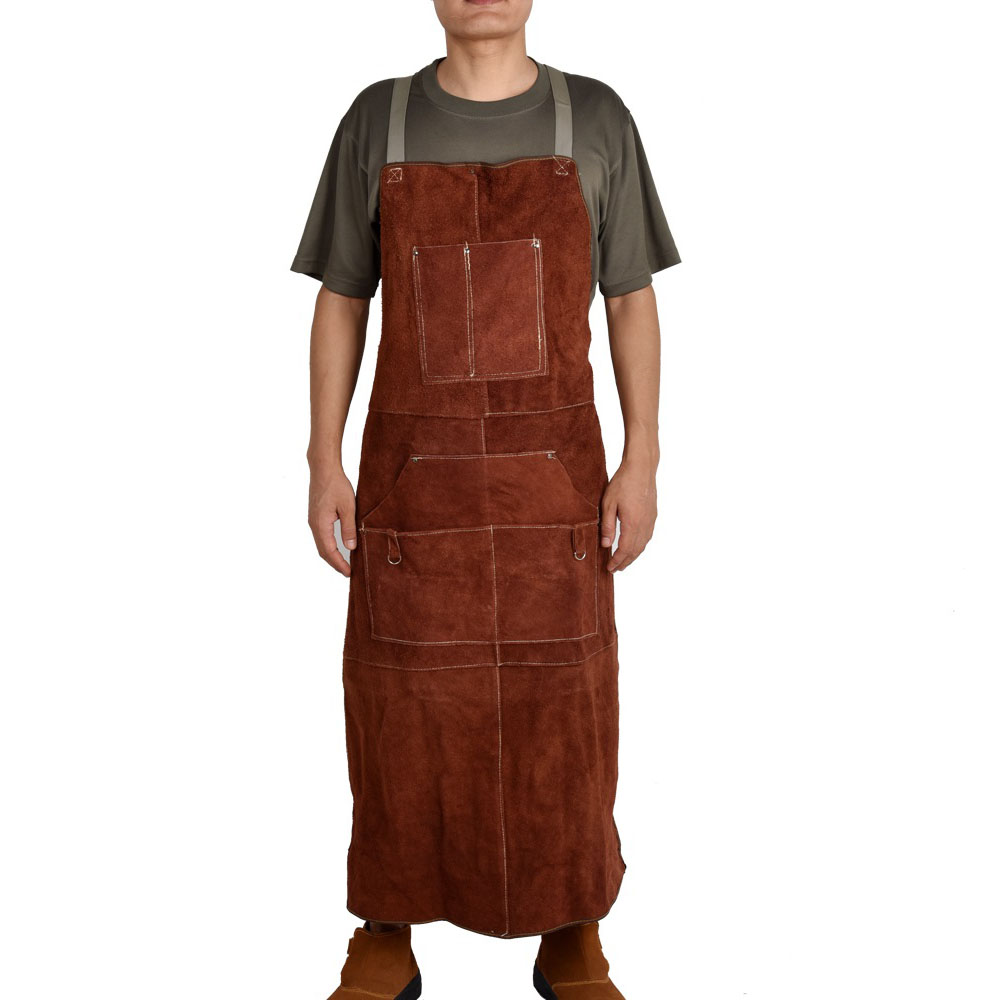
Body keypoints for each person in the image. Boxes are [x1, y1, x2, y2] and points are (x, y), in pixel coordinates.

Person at [291, 2, 680, 997]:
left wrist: (641, 456)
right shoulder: (376, 121)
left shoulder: (596, 119)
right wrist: (323, 457)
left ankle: (574, 926)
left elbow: (630, 297)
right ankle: (384, 926)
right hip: (413, 490)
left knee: (567, 707)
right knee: (399, 705)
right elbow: (341, 296)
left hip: (555, 489)